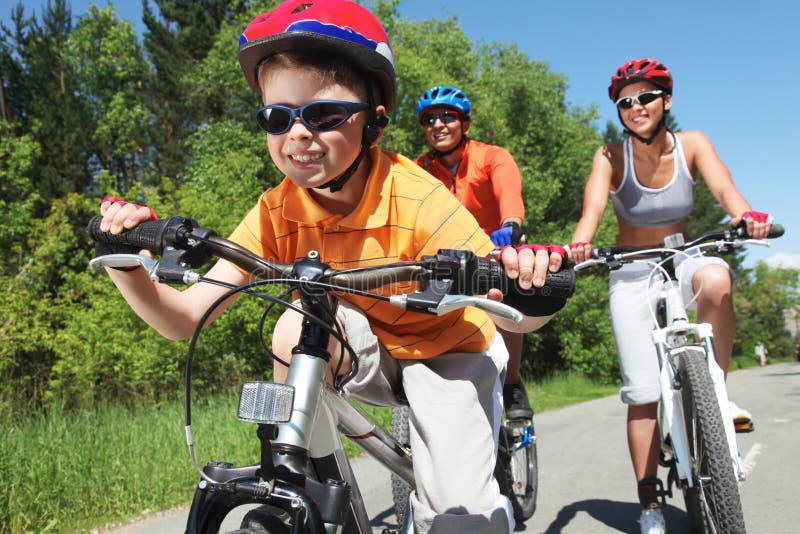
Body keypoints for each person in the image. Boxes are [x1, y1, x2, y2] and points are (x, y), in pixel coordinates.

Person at [94, 1, 567, 532]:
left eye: (323, 115)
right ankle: (304, 482)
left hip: (447, 350)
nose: (298, 133)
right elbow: (184, 318)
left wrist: (531, 282)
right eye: (278, 117)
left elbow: (510, 314)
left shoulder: (416, 197)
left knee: (461, 518)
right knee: (294, 321)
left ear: (375, 123)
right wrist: (128, 265)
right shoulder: (277, 210)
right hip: (363, 347)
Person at [566, 58, 773, 534]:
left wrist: (747, 217)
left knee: (718, 280)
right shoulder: (610, 156)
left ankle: (716, 394)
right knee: (642, 393)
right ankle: (650, 502)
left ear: (666, 101)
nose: (635, 107)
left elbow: (726, 189)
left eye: (645, 97)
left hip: (683, 258)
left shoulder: (693, 144)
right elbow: (592, 208)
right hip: (631, 269)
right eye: (625, 101)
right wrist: (579, 243)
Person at [414, 85, 532, 420]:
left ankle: (511, 384)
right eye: (430, 119)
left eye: (447, 117)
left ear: (464, 124)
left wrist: (511, 223)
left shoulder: (491, 156)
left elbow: (509, 193)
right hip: (447, 257)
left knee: (507, 300)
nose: (438, 124)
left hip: (495, 250)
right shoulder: (420, 169)